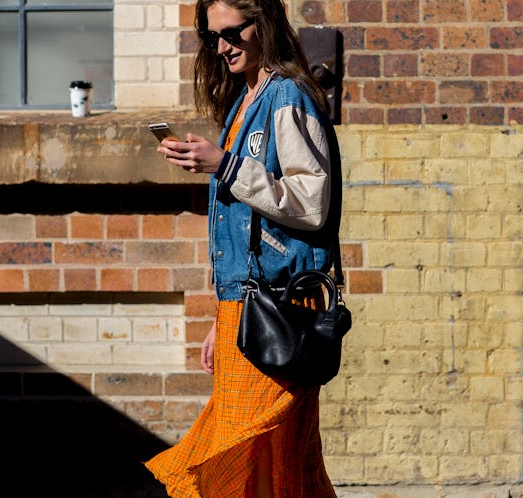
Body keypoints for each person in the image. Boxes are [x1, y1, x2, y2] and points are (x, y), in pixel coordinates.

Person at [143, 0, 342, 496]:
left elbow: (312, 202)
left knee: (253, 457)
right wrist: (222, 314)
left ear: (265, 24)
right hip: (248, 308)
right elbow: (244, 231)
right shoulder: (245, 99)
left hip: (283, 308)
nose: (223, 46)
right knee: (269, 464)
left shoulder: (289, 96)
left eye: (233, 32)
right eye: (213, 37)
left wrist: (225, 165)